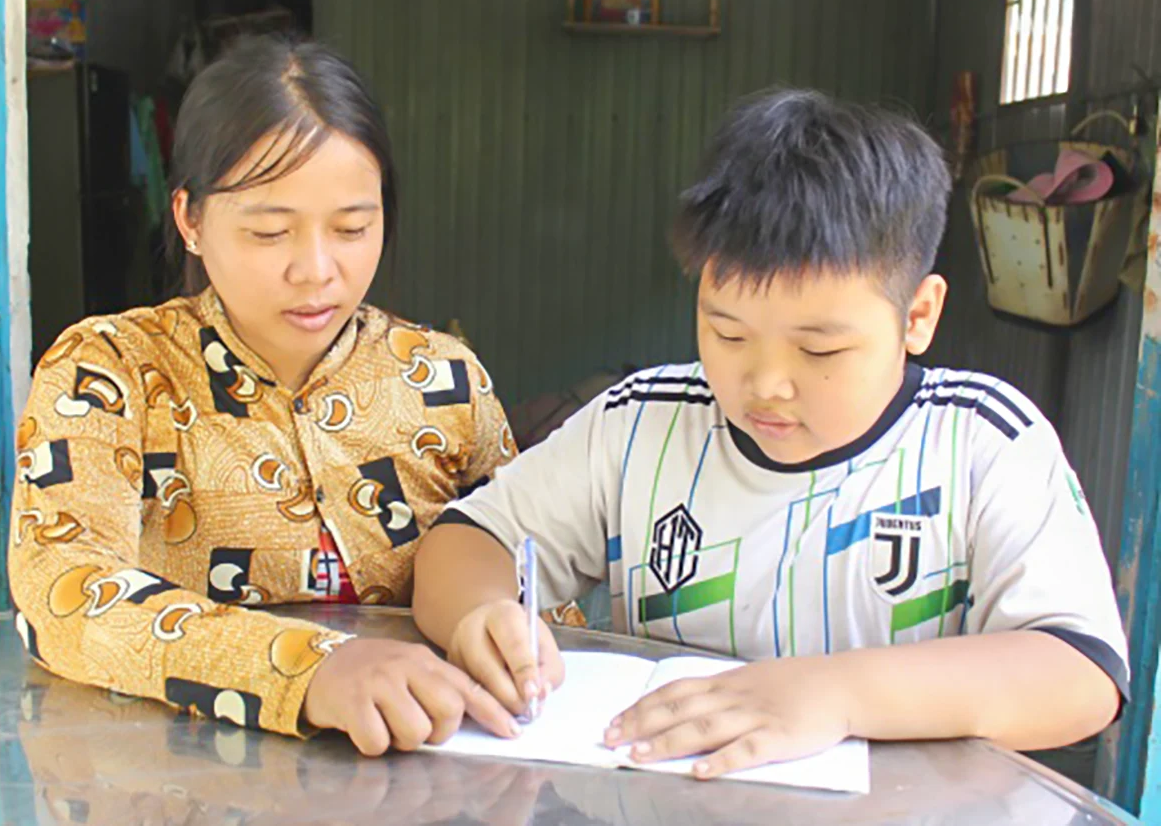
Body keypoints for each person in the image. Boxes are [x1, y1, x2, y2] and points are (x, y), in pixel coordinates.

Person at [413, 89, 1128, 778]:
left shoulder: (981, 444)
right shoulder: (639, 426)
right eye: (726, 332)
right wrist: (480, 613)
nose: (765, 383)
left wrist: (837, 693)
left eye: (818, 350)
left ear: (918, 316)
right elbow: (467, 541)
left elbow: (1079, 674)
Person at [8, 34, 523, 756]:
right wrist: (309, 671)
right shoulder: (109, 372)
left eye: (352, 227)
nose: (316, 270)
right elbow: (64, 592)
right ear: (189, 219)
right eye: (269, 231)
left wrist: (511, 636)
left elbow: (531, 568)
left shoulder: (442, 381)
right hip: (177, 779)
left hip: (423, 769)